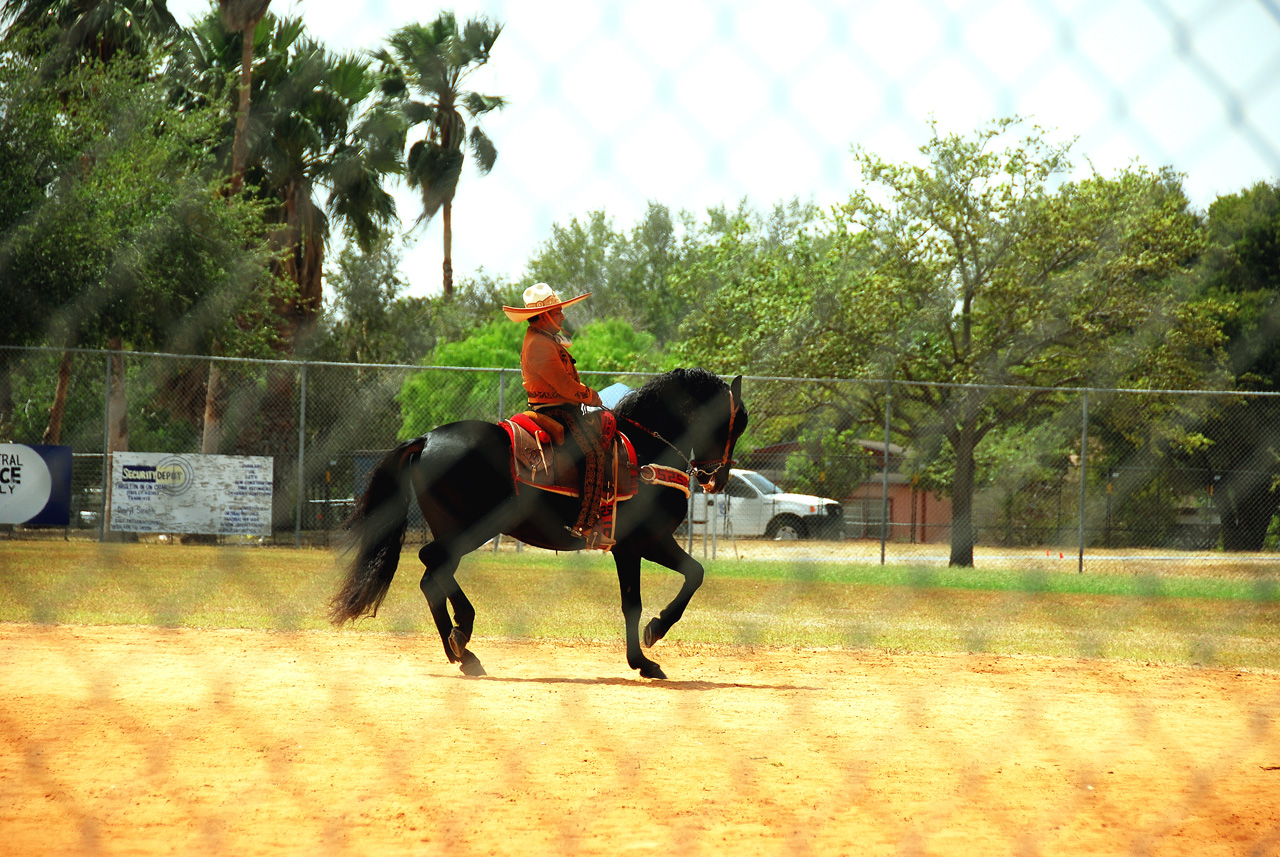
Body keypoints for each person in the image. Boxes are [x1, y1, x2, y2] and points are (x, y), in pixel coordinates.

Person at [503, 283, 614, 549]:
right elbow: (564, 386)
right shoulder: (539, 344)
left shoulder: (545, 339)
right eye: (558, 311)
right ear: (544, 316)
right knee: (593, 453)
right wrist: (590, 395)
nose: (563, 315)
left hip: (564, 407)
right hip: (556, 411)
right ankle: (585, 525)